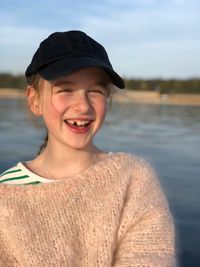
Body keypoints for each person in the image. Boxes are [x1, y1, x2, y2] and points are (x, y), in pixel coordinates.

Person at [0, 30, 176, 266]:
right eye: (65, 90)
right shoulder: (5, 195)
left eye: (95, 91)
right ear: (34, 100)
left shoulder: (133, 178)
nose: (82, 106)